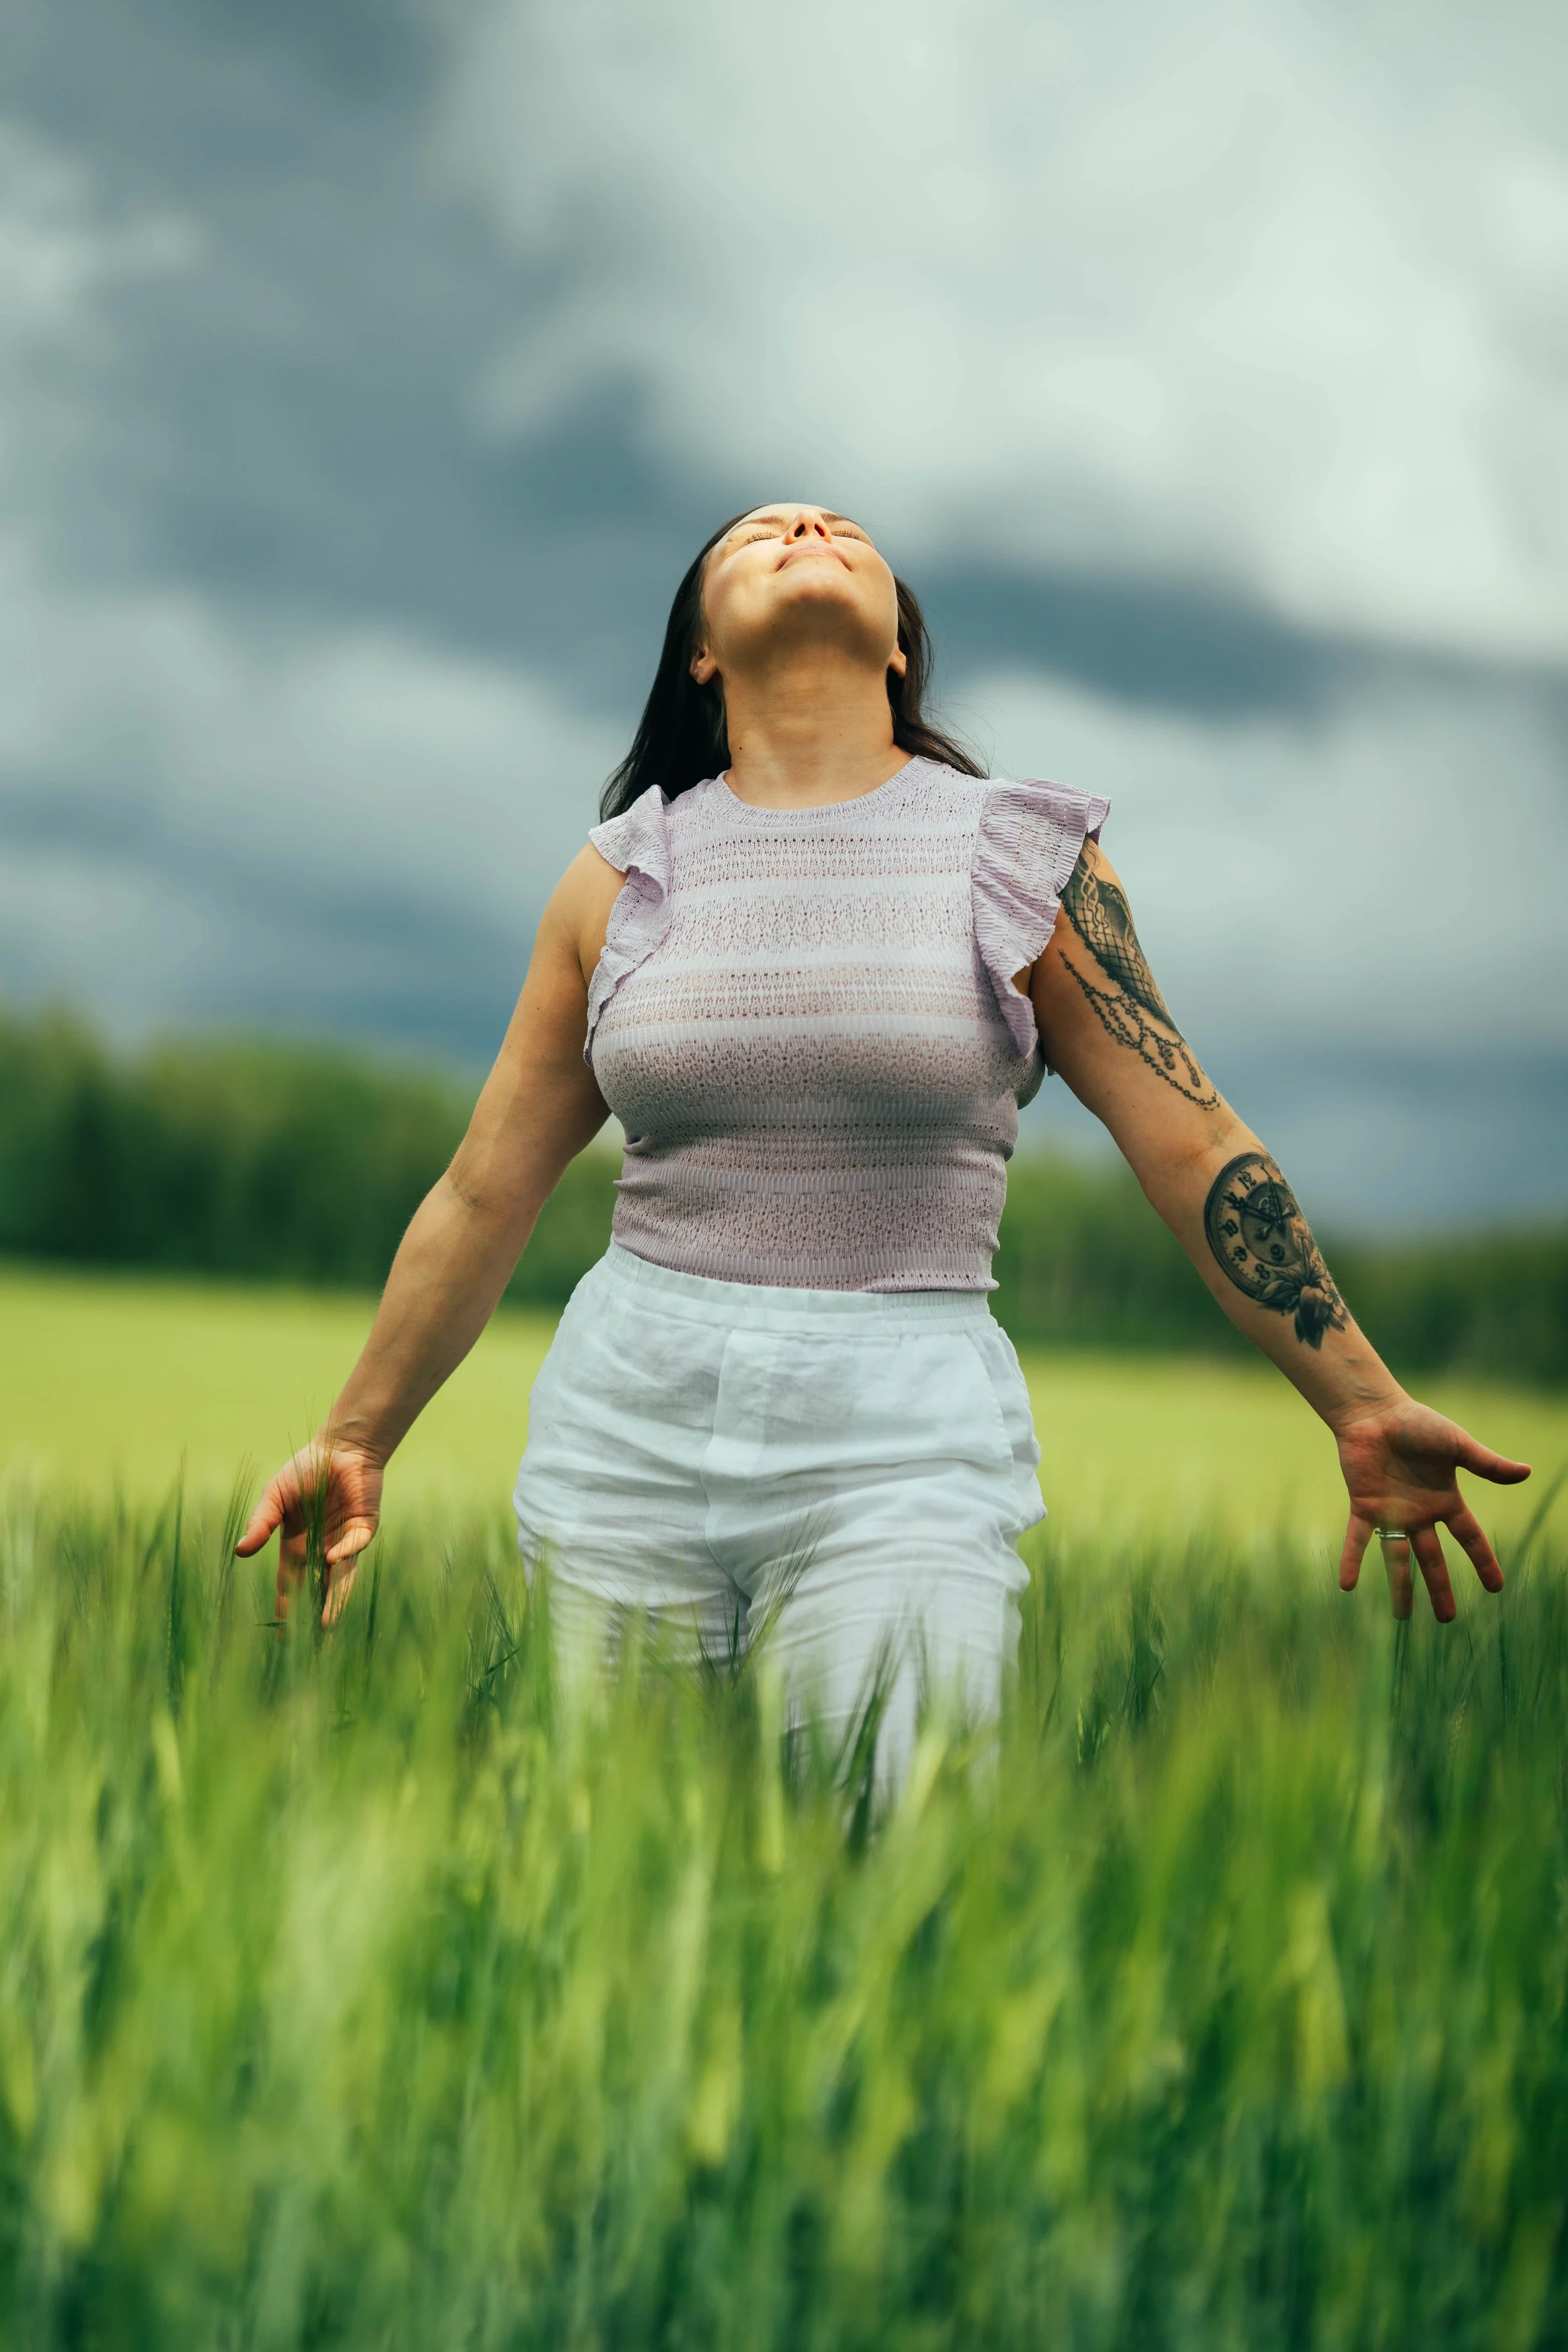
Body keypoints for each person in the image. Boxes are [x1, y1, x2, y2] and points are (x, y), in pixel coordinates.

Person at [238, 502, 1530, 1776]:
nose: (805, 529)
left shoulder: (1020, 856)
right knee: (617, 1878)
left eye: (841, 529)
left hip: (899, 1434)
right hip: (624, 1422)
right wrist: (357, 1439)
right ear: (700, 650)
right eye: (758, 533)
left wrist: (1358, 1399)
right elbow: (483, 1193)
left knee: (897, 1848)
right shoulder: (619, 878)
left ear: (899, 646)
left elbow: (1191, 1144)